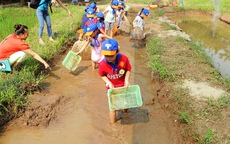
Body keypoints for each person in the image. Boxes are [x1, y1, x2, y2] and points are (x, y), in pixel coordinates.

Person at [98, 39, 132, 124]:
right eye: (106, 56)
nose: (109, 58)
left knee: (125, 104)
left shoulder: (124, 59)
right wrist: (108, 82)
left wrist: (126, 80)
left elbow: (128, 70)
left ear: (118, 51)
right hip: (111, 88)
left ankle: (125, 113)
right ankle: (112, 126)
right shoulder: (102, 64)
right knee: (113, 108)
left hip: (123, 86)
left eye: (111, 56)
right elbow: (102, 75)